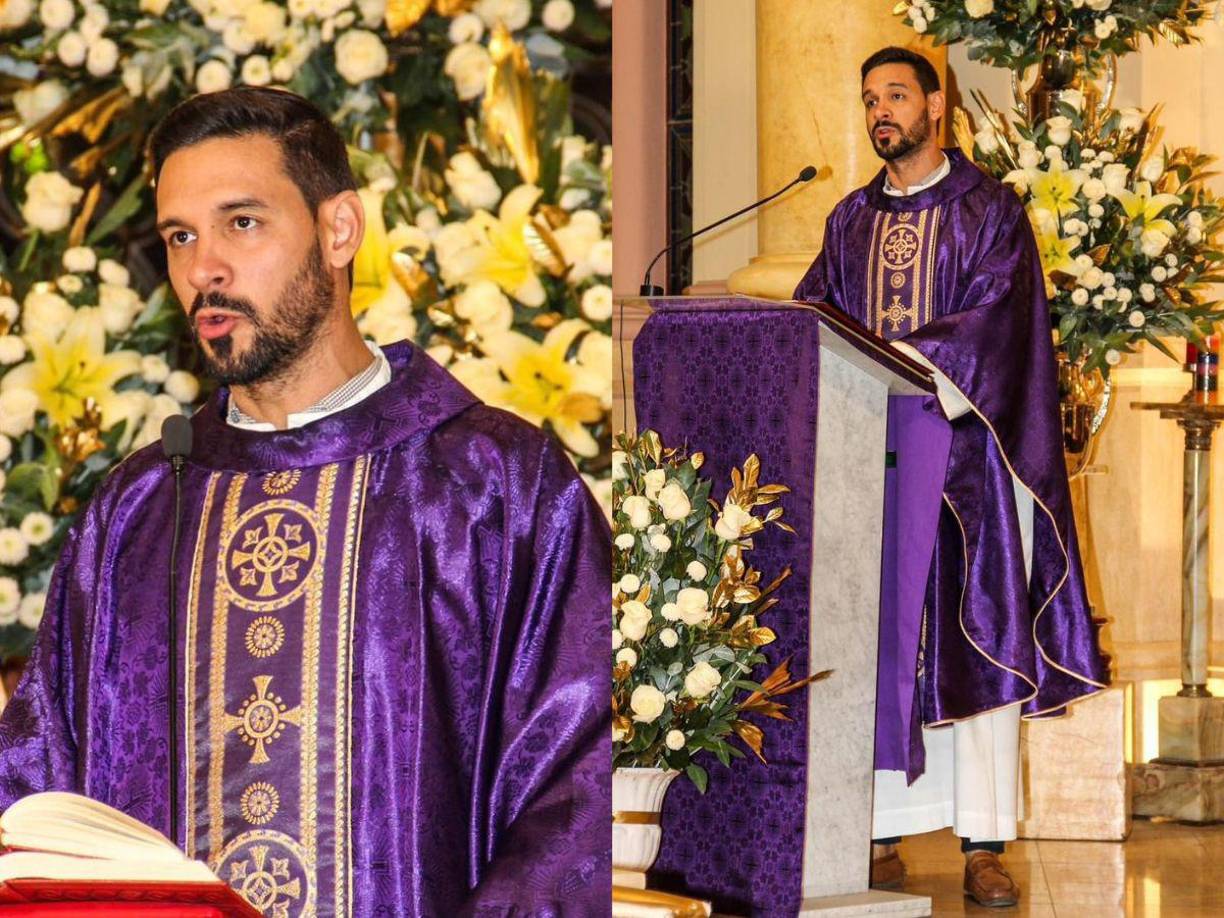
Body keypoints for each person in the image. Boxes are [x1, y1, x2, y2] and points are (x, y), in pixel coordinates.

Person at [0, 87, 611, 917]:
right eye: (181, 237)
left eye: (241, 222)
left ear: (339, 230)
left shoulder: (493, 483)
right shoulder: (137, 510)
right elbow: (36, 798)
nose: (203, 270)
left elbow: (576, 793)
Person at [793, 47, 1109, 908]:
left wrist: (905, 360)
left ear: (935, 105)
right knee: (877, 641)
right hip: (869, 464)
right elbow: (812, 314)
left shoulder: (989, 209)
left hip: (968, 466)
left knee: (976, 636)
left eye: (897, 95)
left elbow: (1002, 319)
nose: (881, 111)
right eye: (870, 99)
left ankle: (985, 842)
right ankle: (878, 829)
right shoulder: (849, 221)